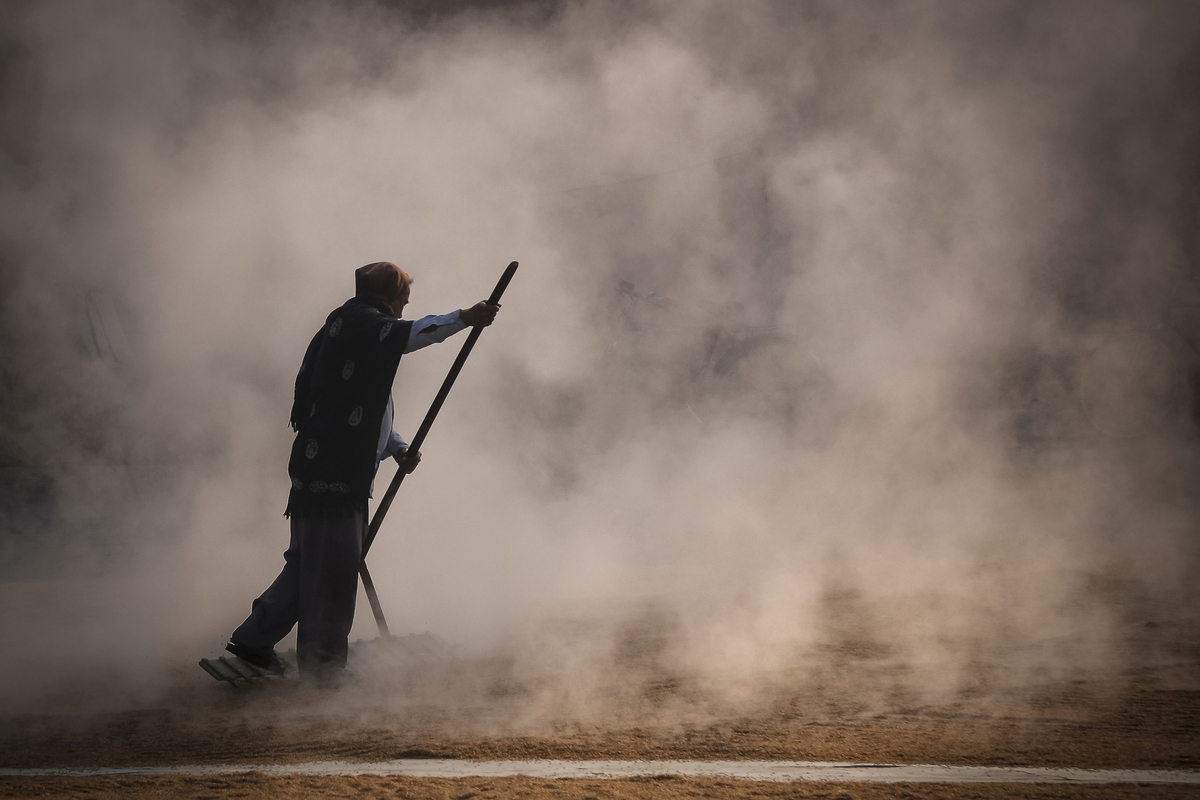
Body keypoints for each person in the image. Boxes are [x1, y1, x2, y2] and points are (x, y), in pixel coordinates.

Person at [225, 261, 498, 685]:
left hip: (320, 471)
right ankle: (324, 668)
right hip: (335, 477)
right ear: (388, 294)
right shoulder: (364, 323)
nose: (405, 307)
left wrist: (398, 447)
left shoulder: (349, 325)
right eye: (404, 298)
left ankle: (254, 640)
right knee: (333, 572)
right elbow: (411, 334)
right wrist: (464, 318)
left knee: (307, 566)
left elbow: (365, 406)